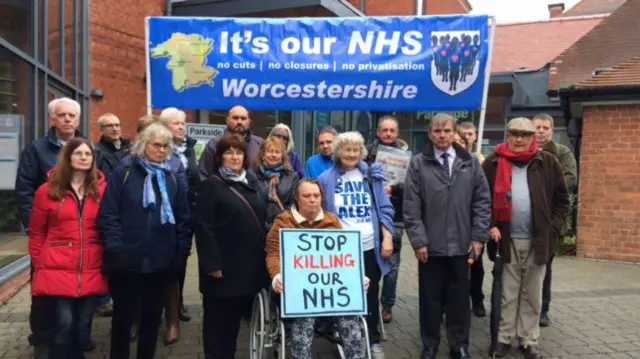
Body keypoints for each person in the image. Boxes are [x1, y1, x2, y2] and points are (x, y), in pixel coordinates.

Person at [98, 123, 192, 359]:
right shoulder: (125, 172)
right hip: (126, 261)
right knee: (123, 320)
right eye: (156, 145)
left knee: (151, 320)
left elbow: (183, 217)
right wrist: (116, 249)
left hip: (160, 261)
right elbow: (108, 214)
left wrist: (179, 252)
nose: (161, 150)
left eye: (165, 146)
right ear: (143, 145)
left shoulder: (172, 176)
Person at [403, 113, 491, 359]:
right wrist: (419, 240)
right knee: (430, 299)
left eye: (447, 131)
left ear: (455, 134)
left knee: (459, 299)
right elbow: (411, 206)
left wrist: (478, 237)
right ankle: (429, 345)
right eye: (437, 131)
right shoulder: (419, 163)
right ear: (430, 134)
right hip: (430, 246)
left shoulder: (470, 163)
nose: (442, 135)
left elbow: (482, 201)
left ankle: (459, 345)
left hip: (463, 244)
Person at [483, 118, 569, 359]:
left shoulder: (547, 162)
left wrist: (553, 228)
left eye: (525, 134)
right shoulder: (493, 162)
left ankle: (528, 339)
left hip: (539, 239)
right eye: (514, 134)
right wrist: (490, 224)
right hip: (506, 238)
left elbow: (562, 199)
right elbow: (481, 198)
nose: (519, 139)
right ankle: (503, 338)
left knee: (532, 293)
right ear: (507, 135)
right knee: (507, 293)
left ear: (533, 137)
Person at [15, 97, 88, 358]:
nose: (68, 119)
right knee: (44, 293)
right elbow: (24, 191)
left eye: (72, 115)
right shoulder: (37, 150)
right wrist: (36, 230)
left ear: (78, 120)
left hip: (79, 238)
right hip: (50, 238)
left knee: (78, 291)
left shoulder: (86, 148)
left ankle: (76, 338)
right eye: (62, 115)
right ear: (52, 119)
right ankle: (43, 341)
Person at [267, 178, 369, 359]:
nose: (312, 200)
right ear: (297, 199)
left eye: (316, 195)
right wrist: (277, 276)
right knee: (303, 320)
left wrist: (358, 276)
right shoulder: (283, 221)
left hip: (332, 289)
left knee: (350, 319)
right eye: (307, 196)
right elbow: (273, 253)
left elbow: (346, 255)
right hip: (299, 290)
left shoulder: (331, 220)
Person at [28, 138, 108, 359]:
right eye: (78, 153)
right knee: (64, 323)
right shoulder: (47, 191)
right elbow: (36, 232)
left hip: (92, 265)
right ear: (67, 157)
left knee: (83, 326)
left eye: (88, 154)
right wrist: (38, 263)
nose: (84, 157)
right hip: (58, 266)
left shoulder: (102, 190)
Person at [317, 131, 394, 359]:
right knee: (342, 293)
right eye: (346, 149)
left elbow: (385, 208)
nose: (351, 154)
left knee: (370, 294)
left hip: (369, 245)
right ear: (338, 151)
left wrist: (387, 236)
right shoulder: (325, 179)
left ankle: (372, 338)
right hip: (340, 248)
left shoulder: (371, 176)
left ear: (361, 152)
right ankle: (344, 335)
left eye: (355, 150)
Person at [195, 133, 268, 359]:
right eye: (229, 152)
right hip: (221, 267)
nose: (234, 156)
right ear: (219, 157)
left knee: (233, 321)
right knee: (216, 321)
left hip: (246, 266)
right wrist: (212, 264)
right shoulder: (212, 185)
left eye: (239, 152)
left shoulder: (251, 181)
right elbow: (204, 228)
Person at [532, 113, 577, 327]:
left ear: (551, 130)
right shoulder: (523, 150)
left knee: (544, 266)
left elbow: (570, 179)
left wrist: (541, 189)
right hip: (524, 220)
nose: (541, 131)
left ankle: (543, 310)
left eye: (545, 128)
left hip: (549, 220)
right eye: (537, 127)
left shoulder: (562, 152)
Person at [159, 107, 199, 344]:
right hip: (164, 214)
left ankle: (177, 304)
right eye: (176, 123)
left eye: (183, 123)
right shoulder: (160, 150)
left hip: (187, 212)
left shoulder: (190, 149)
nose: (181, 127)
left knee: (181, 260)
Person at [364, 115, 409, 323]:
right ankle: (367, 300)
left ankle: (387, 304)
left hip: (397, 215)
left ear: (397, 133)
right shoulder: (366, 155)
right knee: (371, 263)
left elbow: (412, 186)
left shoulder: (406, 156)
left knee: (391, 265)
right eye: (385, 130)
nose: (388, 134)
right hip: (371, 214)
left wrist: (394, 188)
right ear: (378, 132)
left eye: (392, 130)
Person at [94, 112, 131, 317]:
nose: (115, 129)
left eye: (117, 124)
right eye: (109, 126)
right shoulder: (96, 151)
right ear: (101, 130)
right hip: (107, 207)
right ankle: (102, 298)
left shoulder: (129, 148)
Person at [198, 105, 264, 179]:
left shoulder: (259, 144)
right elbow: (204, 175)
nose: (239, 122)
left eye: (243, 118)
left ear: (249, 122)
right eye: (235, 118)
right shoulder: (214, 144)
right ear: (227, 120)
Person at [256, 136, 299, 230]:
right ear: (263, 154)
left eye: (277, 152)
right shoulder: (253, 175)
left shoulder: (292, 176)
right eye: (270, 151)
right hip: (257, 226)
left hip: (283, 226)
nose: (274, 155)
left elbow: (294, 204)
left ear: (282, 156)